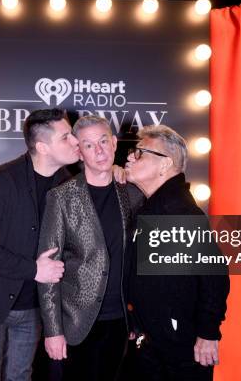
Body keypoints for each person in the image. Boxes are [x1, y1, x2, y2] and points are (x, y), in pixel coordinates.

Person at [0, 108, 80, 381]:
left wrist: (117, 172)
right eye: (66, 137)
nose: (75, 142)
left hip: (33, 309)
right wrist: (33, 270)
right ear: (43, 147)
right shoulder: (3, 180)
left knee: (20, 376)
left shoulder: (70, 185)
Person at [123, 125, 230, 381]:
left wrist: (208, 333)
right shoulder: (153, 208)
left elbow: (215, 276)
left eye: (139, 153)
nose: (129, 157)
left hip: (178, 350)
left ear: (164, 164)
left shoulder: (178, 212)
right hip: (154, 344)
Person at [37, 115, 138, 381]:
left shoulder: (131, 192)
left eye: (104, 141)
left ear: (115, 143)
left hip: (121, 323)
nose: (100, 150)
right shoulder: (61, 198)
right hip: (76, 325)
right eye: (89, 145)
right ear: (79, 151)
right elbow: (49, 271)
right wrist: (53, 330)